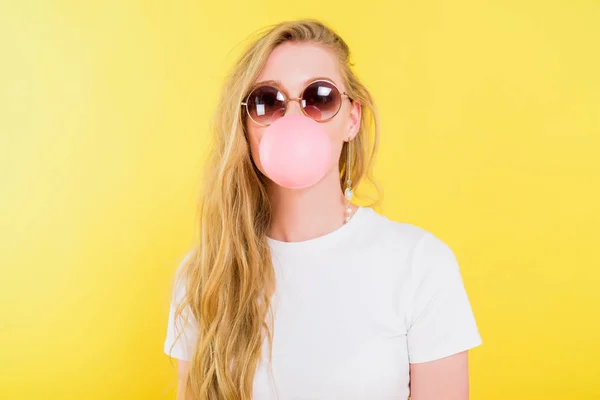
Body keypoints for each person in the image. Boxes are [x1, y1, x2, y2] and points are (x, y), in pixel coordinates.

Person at [163, 18, 482, 400]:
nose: (294, 119)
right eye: (269, 101)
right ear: (246, 126)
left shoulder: (420, 263)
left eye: (320, 97)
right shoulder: (207, 274)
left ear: (351, 119)